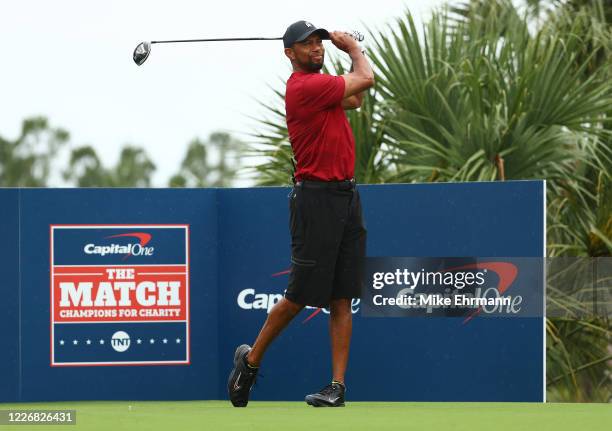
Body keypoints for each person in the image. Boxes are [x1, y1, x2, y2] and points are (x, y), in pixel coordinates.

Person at [228, 20, 374, 408]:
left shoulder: (323, 88)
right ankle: (251, 362)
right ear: (289, 53)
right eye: (307, 44)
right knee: (298, 296)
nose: (317, 48)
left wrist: (342, 53)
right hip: (316, 200)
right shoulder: (303, 88)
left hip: (346, 195)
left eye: (320, 42)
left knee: (342, 297)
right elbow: (367, 79)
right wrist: (352, 48)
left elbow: (356, 98)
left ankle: (336, 388)